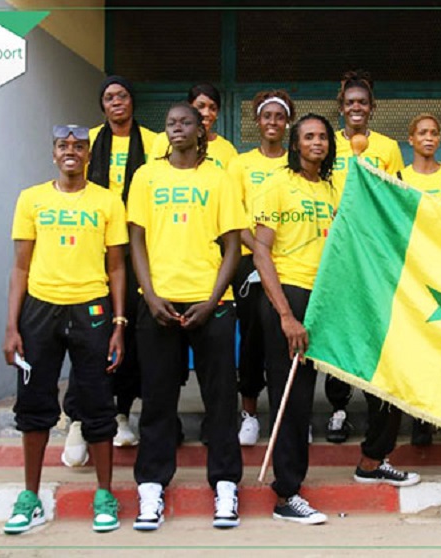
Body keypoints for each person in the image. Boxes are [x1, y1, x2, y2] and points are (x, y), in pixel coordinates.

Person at [2, 124, 127, 533]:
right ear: (53, 154)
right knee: (34, 402)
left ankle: (104, 493)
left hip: (91, 308)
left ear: (89, 155)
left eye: (79, 146)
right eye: (63, 146)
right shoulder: (31, 199)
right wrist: (11, 327)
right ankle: (30, 496)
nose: (71, 152)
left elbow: (117, 266)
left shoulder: (108, 202)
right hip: (40, 309)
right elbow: (20, 266)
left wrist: (118, 323)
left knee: (96, 400)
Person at [127, 102, 246, 531]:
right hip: (158, 304)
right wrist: (150, 294)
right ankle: (151, 488)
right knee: (158, 398)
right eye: (171, 122)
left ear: (202, 131)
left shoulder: (219, 177)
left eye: (186, 123)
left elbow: (233, 245)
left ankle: (227, 486)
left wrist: (213, 300)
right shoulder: (146, 176)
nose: (177, 128)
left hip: (211, 303)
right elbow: (135, 239)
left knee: (220, 399)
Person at [61, 75, 157, 466]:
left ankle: (120, 411)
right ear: (102, 106)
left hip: (136, 247)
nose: (116, 102)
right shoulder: (88, 139)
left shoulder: (153, 142)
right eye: (109, 97)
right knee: (88, 335)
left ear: (132, 102)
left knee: (129, 334)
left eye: (122, 96)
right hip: (92, 246)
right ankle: (78, 418)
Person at [252, 113, 337, 524]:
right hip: (290, 296)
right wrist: (285, 314)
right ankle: (287, 493)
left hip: (325, 299)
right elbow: (261, 252)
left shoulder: (334, 188)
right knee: (292, 397)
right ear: (296, 144)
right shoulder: (277, 186)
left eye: (322, 137)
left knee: (303, 395)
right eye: (308, 137)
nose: (316, 143)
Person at [326, 69, 405, 443]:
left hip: (373, 249)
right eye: (349, 102)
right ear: (340, 108)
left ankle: (379, 411)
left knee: (372, 326)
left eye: (362, 102)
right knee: (338, 325)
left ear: (372, 108)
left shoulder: (388, 148)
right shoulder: (327, 143)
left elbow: (396, 195)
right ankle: (338, 408)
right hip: (336, 246)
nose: (356, 107)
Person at [227, 90, 295, 446]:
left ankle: (291, 414)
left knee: (287, 338)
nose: (272, 122)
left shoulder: (295, 164)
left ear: (287, 123)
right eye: (266, 116)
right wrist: (260, 252)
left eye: (279, 117)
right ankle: (250, 413)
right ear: (257, 121)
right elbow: (235, 218)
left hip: (293, 264)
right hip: (251, 261)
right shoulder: (240, 165)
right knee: (253, 337)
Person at [397, 113, 441, 445]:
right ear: (410, 139)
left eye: (434, 133)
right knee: (418, 346)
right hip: (414, 273)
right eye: (421, 132)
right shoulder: (396, 178)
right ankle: (420, 417)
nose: (429, 138)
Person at [151, 83, 238, 170]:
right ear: (189, 109)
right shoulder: (163, 140)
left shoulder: (227, 149)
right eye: (200, 106)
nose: (206, 113)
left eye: (213, 108)